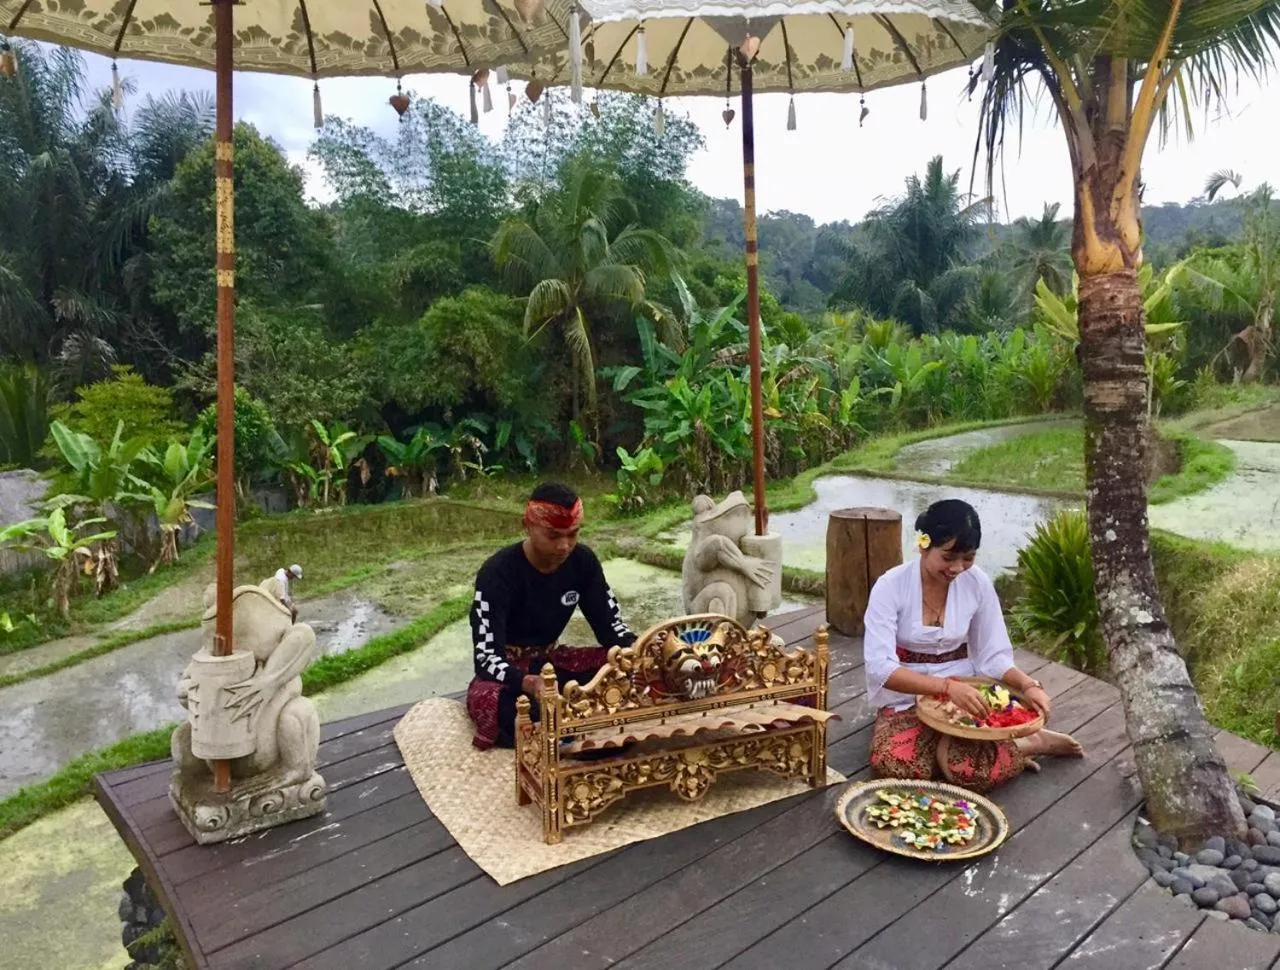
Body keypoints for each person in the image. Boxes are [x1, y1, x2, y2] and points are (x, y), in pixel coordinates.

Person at [864, 499, 1083, 792]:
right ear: (922, 545)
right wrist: (945, 688)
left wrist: (1029, 685)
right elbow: (882, 668)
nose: (957, 568)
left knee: (972, 773)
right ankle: (1006, 747)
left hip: (966, 696)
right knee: (895, 767)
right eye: (948, 557)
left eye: (968, 557)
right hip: (906, 697)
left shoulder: (977, 583)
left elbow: (992, 654)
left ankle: (1031, 741)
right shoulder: (890, 586)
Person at [466, 482, 637, 750]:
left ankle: (573, 731)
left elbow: (610, 628)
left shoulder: (583, 562)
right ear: (527, 525)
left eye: (573, 534)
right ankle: (584, 729)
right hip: (510, 676)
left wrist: (638, 648)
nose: (564, 546)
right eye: (554, 535)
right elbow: (486, 658)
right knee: (502, 706)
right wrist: (527, 683)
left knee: (625, 668)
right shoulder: (496, 573)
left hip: (550, 663)